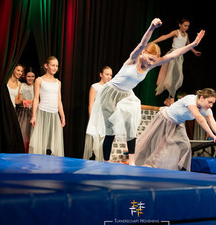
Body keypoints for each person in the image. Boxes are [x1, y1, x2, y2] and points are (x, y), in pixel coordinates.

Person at [86, 18, 205, 165]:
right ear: (143, 53)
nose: (150, 63)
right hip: (110, 93)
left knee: (131, 126)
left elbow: (172, 55)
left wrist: (193, 44)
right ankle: (105, 161)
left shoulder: (150, 66)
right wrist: (151, 27)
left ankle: (132, 161)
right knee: (110, 129)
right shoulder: (133, 59)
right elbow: (143, 43)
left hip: (126, 95)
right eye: (149, 59)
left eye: (153, 61)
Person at [134, 88, 216, 171]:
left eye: (213, 103)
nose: (211, 105)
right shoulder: (191, 99)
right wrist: (211, 134)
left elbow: (214, 125)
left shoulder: (206, 109)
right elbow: (199, 118)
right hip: (165, 119)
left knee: (185, 145)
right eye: (209, 102)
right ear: (201, 98)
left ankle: (178, 168)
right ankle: (145, 163)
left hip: (177, 124)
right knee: (153, 142)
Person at [152, 18, 201, 106]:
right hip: (173, 55)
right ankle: (170, 98)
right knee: (172, 77)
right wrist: (153, 42)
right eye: (185, 25)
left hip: (179, 58)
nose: (186, 28)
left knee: (177, 78)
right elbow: (165, 36)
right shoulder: (176, 32)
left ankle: (169, 98)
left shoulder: (186, 35)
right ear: (180, 25)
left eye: (188, 26)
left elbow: (189, 45)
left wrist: (194, 52)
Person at [30, 56, 66, 156]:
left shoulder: (58, 82)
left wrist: (62, 116)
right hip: (42, 113)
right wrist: (33, 115)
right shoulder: (39, 80)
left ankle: (53, 163)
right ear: (46, 66)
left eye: (56, 66)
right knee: (40, 141)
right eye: (53, 65)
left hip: (54, 114)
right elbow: (36, 98)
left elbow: (59, 100)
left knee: (54, 142)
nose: (55, 68)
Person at [83, 66, 113, 160]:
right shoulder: (95, 87)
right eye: (107, 74)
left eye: (111, 75)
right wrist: (91, 119)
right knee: (95, 141)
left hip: (107, 117)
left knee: (105, 141)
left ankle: (103, 161)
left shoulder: (111, 88)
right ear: (101, 74)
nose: (109, 77)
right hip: (97, 116)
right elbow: (91, 104)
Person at [18, 68, 35, 153]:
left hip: (33, 112)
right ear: (25, 77)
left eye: (32, 76)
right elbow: (19, 100)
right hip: (23, 112)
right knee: (23, 133)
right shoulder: (22, 85)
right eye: (29, 76)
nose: (30, 78)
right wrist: (24, 102)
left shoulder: (36, 86)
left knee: (32, 135)